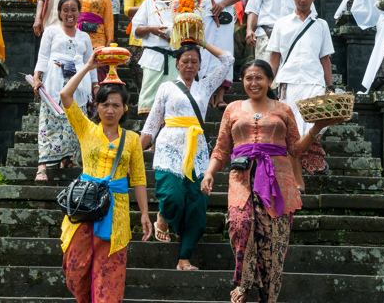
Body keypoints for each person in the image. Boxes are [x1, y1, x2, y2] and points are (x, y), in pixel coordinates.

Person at [202, 59, 336, 303]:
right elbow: (221, 149)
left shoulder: (283, 109)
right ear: (242, 81)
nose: (253, 83)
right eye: (248, 78)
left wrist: (316, 127)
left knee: (272, 246)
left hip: (278, 182)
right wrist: (209, 172)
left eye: (259, 78)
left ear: (270, 80)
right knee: (239, 224)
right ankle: (244, 281)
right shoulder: (232, 108)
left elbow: (295, 148)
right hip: (241, 178)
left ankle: (268, 298)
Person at [58, 51, 152, 303]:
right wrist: (89, 65)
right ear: (97, 106)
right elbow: (65, 95)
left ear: (125, 108)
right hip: (84, 208)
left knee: (109, 280)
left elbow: (139, 179)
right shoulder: (86, 129)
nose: (110, 109)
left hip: (116, 213)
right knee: (75, 272)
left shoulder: (132, 139)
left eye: (116, 105)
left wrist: (144, 213)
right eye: (105, 104)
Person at [140, 41, 234, 270]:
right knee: (171, 196)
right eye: (185, 61)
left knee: (197, 205)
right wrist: (134, 150)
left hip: (198, 151)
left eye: (194, 61)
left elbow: (228, 59)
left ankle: (184, 257)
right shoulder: (166, 87)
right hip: (169, 149)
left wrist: (200, 42)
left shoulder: (206, 86)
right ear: (177, 64)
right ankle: (163, 215)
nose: (190, 65)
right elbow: (152, 124)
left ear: (200, 64)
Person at [267, 0, 334, 192]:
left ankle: (307, 162)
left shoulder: (321, 25)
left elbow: (325, 58)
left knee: (312, 126)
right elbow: (275, 57)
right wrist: (269, 82)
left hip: (314, 81)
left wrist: (330, 86)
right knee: (292, 131)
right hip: (288, 82)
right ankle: (299, 178)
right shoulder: (281, 23)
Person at [31, 0, 98, 180]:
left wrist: (95, 85)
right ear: (59, 12)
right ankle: (42, 166)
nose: (70, 14)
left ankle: (68, 158)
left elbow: (89, 63)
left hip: (78, 84)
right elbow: (43, 57)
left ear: (79, 13)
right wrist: (37, 78)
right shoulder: (51, 31)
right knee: (49, 122)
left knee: (75, 121)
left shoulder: (84, 36)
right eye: (66, 10)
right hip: (53, 82)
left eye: (74, 10)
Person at [200, 0, 242, 108]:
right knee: (205, 55)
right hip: (204, 16)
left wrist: (222, 4)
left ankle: (220, 97)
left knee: (224, 54)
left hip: (224, 17)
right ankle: (206, 95)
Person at [56, 0, 115, 82]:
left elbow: (109, 20)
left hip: (98, 40)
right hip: (78, 36)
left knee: (98, 75)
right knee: (77, 72)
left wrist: (109, 40)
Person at [133, 0, 178, 113]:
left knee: (175, 103)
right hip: (154, 57)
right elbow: (136, 30)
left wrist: (173, 33)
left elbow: (193, 29)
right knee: (149, 105)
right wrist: (151, 29)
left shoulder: (184, 1)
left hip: (177, 59)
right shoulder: (149, 2)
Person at [124, 0, 158, 92]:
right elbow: (127, 10)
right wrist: (149, 7)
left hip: (156, 30)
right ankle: (140, 92)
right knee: (135, 64)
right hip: (138, 29)